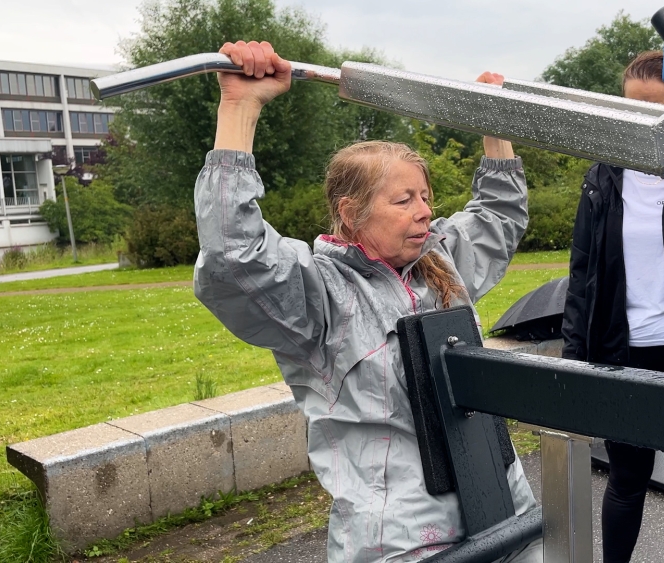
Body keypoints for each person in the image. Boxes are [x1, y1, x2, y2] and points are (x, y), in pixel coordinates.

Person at [193, 40, 542, 563]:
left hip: (505, 509)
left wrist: (495, 126)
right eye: (403, 201)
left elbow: (498, 216)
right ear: (351, 211)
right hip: (405, 543)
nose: (424, 212)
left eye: (425, 197)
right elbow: (235, 255)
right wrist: (240, 109)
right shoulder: (320, 296)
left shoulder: (440, 262)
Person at [561, 50, 664, 563]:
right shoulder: (604, 177)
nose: (637, 121)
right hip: (623, 354)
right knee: (627, 481)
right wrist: (576, 362)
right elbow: (583, 272)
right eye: (629, 108)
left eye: (651, 109)